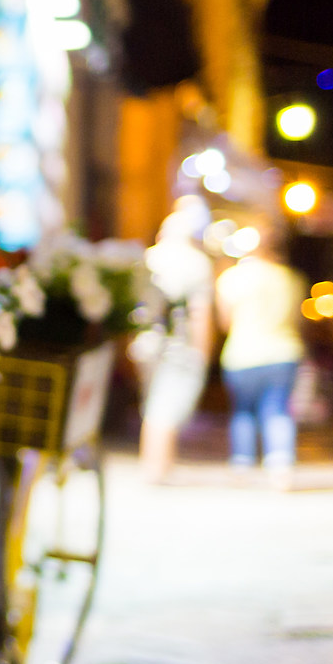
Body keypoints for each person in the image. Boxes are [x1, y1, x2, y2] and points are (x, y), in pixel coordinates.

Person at [214, 220, 307, 488]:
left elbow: (224, 322)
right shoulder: (291, 278)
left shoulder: (231, 278)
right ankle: (280, 466)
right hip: (283, 352)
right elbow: (297, 319)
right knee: (277, 409)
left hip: (242, 354)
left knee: (243, 411)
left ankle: (242, 465)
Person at [133, 203, 215, 482]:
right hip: (178, 345)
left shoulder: (149, 258)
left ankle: (154, 463)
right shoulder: (196, 262)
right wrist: (203, 352)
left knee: (153, 404)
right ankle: (159, 466)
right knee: (165, 406)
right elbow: (199, 312)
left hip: (145, 343)